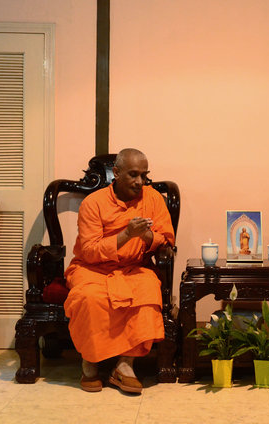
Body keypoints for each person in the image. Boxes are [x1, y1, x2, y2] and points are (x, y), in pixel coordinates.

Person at [63, 148, 175, 393]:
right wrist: (126, 235)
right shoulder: (94, 203)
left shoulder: (153, 199)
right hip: (92, 269)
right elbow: (89, 251)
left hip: (134, 268)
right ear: (116, 173)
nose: (140, 181)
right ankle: (90, 362)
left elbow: (166, 240)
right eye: (133, 174)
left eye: (144, 175)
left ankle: (125, 365)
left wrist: (145, 235)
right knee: (89, 298)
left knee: (148, 290)